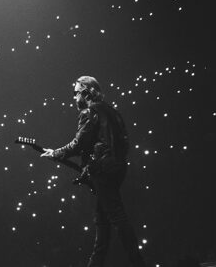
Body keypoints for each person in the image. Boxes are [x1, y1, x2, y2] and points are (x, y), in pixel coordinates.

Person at [41, 76, 146, 267]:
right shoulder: (112, 111)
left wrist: (55, 153)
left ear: (87, 92)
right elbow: (124, 141)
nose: (73, 97)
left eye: (76, 92)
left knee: (116, 216)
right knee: (102, 222)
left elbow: (79, 143)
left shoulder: (89, 112)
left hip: (102, 168)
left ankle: (138, 262)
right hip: (118, 167)